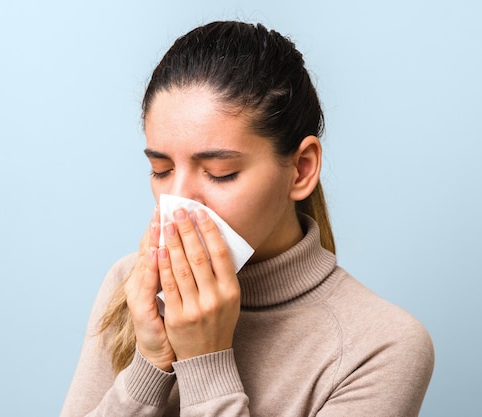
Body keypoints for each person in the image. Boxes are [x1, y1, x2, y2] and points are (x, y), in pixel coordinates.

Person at [60, 21, 434, 417]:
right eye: (161, 169)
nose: (179, 199)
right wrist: (148, 369)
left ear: (301, 169)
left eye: (220, 173)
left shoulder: (382, 346)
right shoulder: (131, 286)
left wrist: (206, 362)